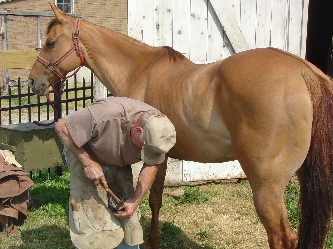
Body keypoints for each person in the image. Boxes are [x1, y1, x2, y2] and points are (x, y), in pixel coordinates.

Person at [54, 96, 176, 249]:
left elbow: (152, 165)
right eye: (146, 149)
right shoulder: (105, 116)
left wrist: (134, 201)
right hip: (84, 151)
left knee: (127, 218)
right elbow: (61, 127)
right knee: (91, 214)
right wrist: (88, 163)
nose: (147, 154)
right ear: (138, 130)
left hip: (117, 159)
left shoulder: (159, 128)